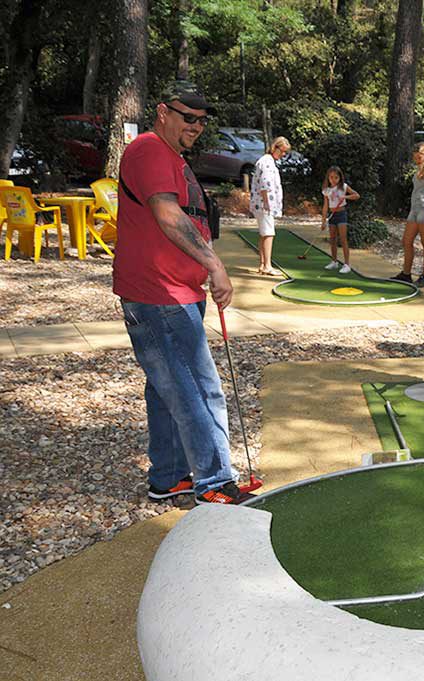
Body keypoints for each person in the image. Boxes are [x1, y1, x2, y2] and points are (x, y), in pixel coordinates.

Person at [113, 80, 254, 505]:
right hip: (159, 294)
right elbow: (168, 215)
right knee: (199, 387)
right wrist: (215, 264)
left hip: (172, 291)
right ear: (162, 112)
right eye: (186, 116)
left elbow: (191, 220)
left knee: (166, 387)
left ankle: (170, 476)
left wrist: (203, 267)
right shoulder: (151, 149)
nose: (195, 125)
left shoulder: (172, 157)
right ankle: (215, 483)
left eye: (201, 119)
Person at [394, 142, 424, 287]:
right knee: (406, 240)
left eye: (418, 157)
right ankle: (406, 274)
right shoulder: (420, 168)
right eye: (415, 158)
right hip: (415, 208)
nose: (416, 160)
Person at [250, 136, 291, 275]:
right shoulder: (267, 162)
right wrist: (267, 203)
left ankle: (263, 264)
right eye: (282, 151)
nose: (283, 154)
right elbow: (265, 184)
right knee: (268, 233)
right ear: (275, 148)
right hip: (264, 203)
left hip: (262, 203)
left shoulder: (267, 161)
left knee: (264, 233)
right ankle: (267, 265)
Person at [320, 166, 360, 272]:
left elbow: (356, 195)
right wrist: (323, 221)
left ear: (340, 178)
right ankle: (334, 262)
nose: (333, 179)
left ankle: (347, 265)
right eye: (331, 177)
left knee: (343, 239)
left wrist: (345, 197)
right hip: (332, 215)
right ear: (328, 177)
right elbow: (325, 206)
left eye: (336, 177)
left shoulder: (344, 187)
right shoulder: (326, 190)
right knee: (332, 239)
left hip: (341, 214)